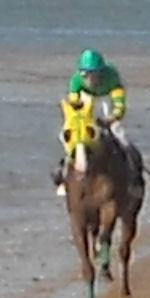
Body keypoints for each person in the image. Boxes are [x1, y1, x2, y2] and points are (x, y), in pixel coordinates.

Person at [56, 47, 129, 191]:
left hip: (106, 103)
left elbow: (119, 105)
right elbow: (74, 104)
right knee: (69, 137)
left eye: (92, 74)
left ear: (101, 73)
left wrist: (111, 118)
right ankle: (64, 173)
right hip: (86, 107)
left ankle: (132, 175)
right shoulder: (76, 80)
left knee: (121, 138)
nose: (89, 78)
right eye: (85, 74)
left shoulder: (112, 77)